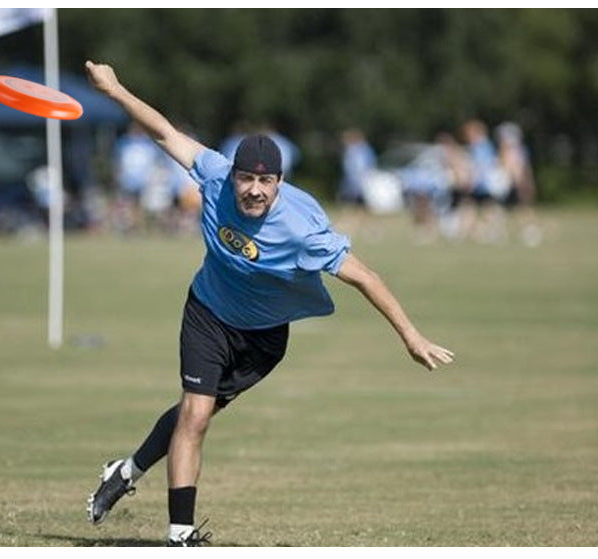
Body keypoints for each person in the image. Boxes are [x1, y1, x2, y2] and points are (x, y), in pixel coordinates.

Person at [83, 59, 455, 547]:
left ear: (279, 183)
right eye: (246, 179)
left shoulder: (303, 229)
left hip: (262, 339)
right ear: (233, 175)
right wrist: (114, 90)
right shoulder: (213, 176)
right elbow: (163, 132)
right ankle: (180, 535)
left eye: (266, 182)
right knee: (194, 416)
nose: (254, 190)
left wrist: (411, 336)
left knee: (193, 415)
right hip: (208, 313)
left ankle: (126, 470)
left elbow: (365, 277)